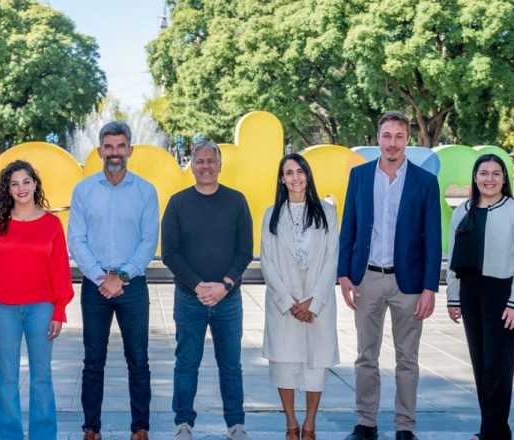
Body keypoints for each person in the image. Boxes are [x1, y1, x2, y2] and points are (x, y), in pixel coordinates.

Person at [337, 111, 441, 440]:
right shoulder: (360, 176)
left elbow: (433, 238)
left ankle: (404, 427)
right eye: (386, 135)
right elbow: (349, 228)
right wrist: (343, 274)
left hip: (408, 284)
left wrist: (429, 287)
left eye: (398, 136)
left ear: (407, 139)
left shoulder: (425, 182)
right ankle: (365, 423)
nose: (392, 143)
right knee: (365, 356)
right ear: (377, 138)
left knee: (407, 360)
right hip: (367, 278)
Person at [68, 121, 158, 440]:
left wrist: (120, 277)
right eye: (109, 147)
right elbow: (76, 240)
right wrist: (100, 277)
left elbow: (149, 241)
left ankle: (140, 428)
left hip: (132, 286)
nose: (115, 153)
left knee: (139, 359)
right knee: (93, 361)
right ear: (99, 150)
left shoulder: (146, 191)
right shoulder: (84, 190)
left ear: (130, 150)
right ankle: (91, 428)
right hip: (95, 287)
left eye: (121, 146)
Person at [162, 137, 253, 440]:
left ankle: (236, 425)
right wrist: (198, 285)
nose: (205, 166)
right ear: (191, 165)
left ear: (219, 164)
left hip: (228, 300)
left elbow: (244, 251)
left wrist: (225, 285)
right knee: (186, 363)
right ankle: (183, 424)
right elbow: (170, 253)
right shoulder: (177, 203)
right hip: (190, 299)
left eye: (210, 160)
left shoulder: (237, 201)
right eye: (199, 161)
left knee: (231, 365)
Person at [0, 160, 74, 440]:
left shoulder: (51, 224)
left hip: (41, 309)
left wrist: (59, 311)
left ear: (35, 184)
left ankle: (44, 436)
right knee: (6, 380)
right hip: (3, 309)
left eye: (26, 182)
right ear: (7, 189)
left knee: (41, 378)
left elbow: (60, 271)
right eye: (14, 183)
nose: (21, 188)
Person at [446, 154, 514, 440]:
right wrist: (454, 297)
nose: (489, 179)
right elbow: (453, 260)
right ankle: (493, 431)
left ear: (505, 179)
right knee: (481, 366)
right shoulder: (462, 211)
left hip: (504, 296)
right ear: (475, 177)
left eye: (496, 173)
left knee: (498, 369)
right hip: (472, 294)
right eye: (483, 173)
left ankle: (493, 433)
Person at [260, 153, 339, 440]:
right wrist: (289, 302)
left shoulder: (327, 213)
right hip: (285, 305)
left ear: (308, 175)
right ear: (282, 179)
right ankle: (291, 424)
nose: (295, 177)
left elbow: (332, 260)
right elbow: (267, 262)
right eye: (289, 173)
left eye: (300, 171)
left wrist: (313, 302)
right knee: (285, 364)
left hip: (317, 304)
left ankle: (310, 425)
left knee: (316, 365)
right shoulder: (271, 214)